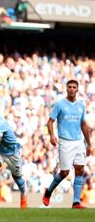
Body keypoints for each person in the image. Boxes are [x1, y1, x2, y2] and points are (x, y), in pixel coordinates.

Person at [44, 79, 92, 209]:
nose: (71, 89)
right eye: (69, 87)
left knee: (80, 170)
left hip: (78, 141)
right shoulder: (60, 104)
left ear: (77, 89)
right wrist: (52, 135)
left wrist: (89, 143)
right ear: (66, 89)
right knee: (64, 172)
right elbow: (50, 122)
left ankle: (76, 202)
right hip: (65, 141)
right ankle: (48, 191)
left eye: (74, 87)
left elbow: (83, 124)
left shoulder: (81, 105)